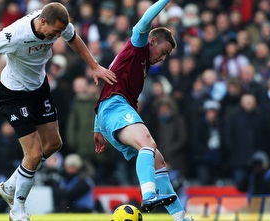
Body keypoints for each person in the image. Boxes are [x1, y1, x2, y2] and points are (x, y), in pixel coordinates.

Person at [0, 2, 116, 221]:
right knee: (35, 153)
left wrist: (94, 66)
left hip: (38, 88)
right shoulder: (14, 35)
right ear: (42, 21)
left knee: (54, 144)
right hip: (14, 93)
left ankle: (10, 185)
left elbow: (73, 37)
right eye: (55, 31)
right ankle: (17, 208)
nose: (57, 36)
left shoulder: (58, 22)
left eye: (60, 32)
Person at [93, 0, 192, 220]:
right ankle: (148, 194)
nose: (163, 58)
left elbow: (106, 87)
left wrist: (97, 128)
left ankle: (182, 218)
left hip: (112, 112)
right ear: (153, 40)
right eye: (163, 51)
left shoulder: (140, 63)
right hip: (115, 108)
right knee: (148, 143)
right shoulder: (137, 45)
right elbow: (145, 19)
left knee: (158, 161)